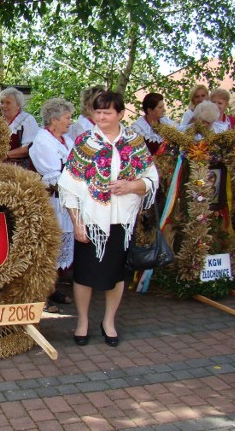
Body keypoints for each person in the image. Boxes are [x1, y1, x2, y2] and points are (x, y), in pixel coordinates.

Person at [58, 91, 159, 347]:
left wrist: (132, 185)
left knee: (116, 275)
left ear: (121, 114)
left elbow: (151, 179)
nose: (101, 116)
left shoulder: (134, 142)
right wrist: (77, 222)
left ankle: (109, 321)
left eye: (107, 112)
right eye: (98, 112)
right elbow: (68, 185)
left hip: (121, 222)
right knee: (84, 275)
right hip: (90, 221)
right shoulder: (85, 142)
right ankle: (82, 321)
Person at [29, 98, 75, 313]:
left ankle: (51, 288)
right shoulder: (43, 141)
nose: (70, 121)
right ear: (54, 120)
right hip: (52, 202)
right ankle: (40, 296)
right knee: (47, 250)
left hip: (68, 202)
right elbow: (53, 177)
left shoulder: (66, 139)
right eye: (67, 118)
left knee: (59, 250)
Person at [0, 87, 40, 168]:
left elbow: (29, 148)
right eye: (2, 102)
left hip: (20, 169)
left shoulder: (27, 120)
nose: (3, 106)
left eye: (8, 103)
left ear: (18, 106)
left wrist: (6, 155)